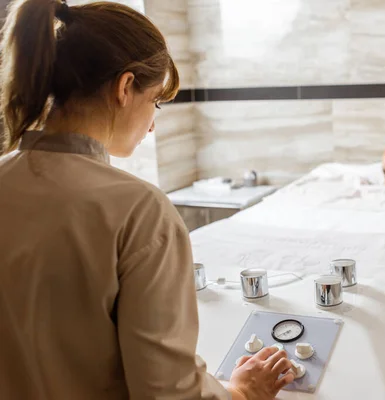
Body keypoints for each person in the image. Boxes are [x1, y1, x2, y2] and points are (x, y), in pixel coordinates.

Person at [0, 1, 293, 399]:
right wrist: (242, 392)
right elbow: (167, 394)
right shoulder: (138, 211)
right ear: (124, 88)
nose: (153, 124)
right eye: (155, 101)